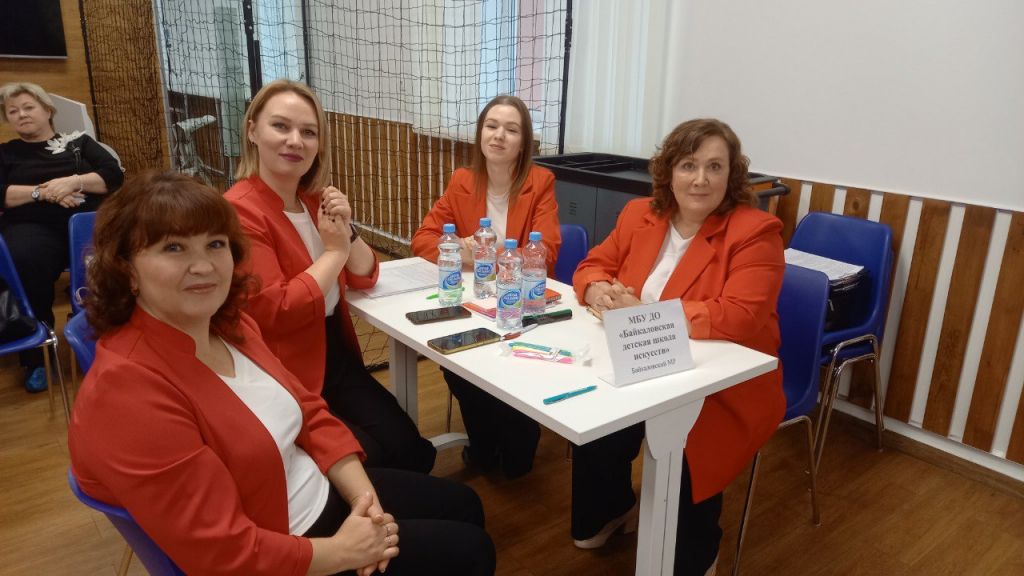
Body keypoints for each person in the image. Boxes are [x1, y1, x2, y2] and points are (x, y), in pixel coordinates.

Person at [68, 171, 496, 576]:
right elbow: (221, 552)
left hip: (314, 492)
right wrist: (344, 551)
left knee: (464, 504)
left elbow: (309, 411)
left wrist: (365, 503)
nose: (203, 266)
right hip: (283, 545)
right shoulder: (125, 392)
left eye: (215, 244)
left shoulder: (229, 325)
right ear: (126, 269)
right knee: (472, 550)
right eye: (173, 248)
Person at [571, 119, 785, 575]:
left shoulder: (755, 231)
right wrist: (596, 289)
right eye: (688, 165)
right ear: (668, 171)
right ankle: (611, 510)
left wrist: (647, 313)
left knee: (688, 457)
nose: (700, 179)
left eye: (714, 166)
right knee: (593, 420)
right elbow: (593, 265)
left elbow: (740, 315)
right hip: (638, 359)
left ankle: (697, 551)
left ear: (731, 175)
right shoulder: (639, 215)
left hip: (719, 384)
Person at [225, 80, 435, 473]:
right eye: (281, 126)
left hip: (333, 354)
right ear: (252, 131)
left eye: (308, 132)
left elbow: (365, 274)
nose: (295, 141)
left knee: (411, 448)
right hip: (284, 367)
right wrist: (335, 252)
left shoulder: (311, 200)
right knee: (373, 459)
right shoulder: (239, 212)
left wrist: (347, 231)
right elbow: (280, 309)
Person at [411, 95, 561, 479]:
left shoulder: (540, 182)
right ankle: (483, 441)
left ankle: (516, 433)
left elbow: (546, 251)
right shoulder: (463, 180)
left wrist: (483, 257)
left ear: (523, 143)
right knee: (455, 361)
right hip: (473, 302)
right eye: (491, 126)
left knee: (516, 466)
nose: (499, 136)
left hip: (520, 305)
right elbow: (423, 238)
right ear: (480, 133)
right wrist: (455, 251)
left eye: (511, 130)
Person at [0, 81, 122, 392]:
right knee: (23, 260)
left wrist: (72, 182)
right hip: (31, 227)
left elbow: (112, 175)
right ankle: (36, 356)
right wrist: (43, 192)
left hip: (84, 224)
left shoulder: (79, 143)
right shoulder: (7, 153)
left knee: (120, 258)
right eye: (12, 111)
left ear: (47, 110)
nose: (21, 114)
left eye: (28, 107)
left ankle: (115, 340)